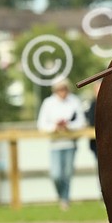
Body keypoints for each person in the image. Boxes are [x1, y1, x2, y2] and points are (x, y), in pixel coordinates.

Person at [37, 77, 86, 210]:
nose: (62, 92)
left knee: (68, 173)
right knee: (56, 175)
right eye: (60, 89)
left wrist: (68, 126)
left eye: (64, 89)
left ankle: (65, 200)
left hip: (70, 143)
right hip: (55, 143)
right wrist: (54, 127)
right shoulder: (48, 103)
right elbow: (41, 124)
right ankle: (62, 197)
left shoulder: (74, 101)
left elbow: (81, 122)